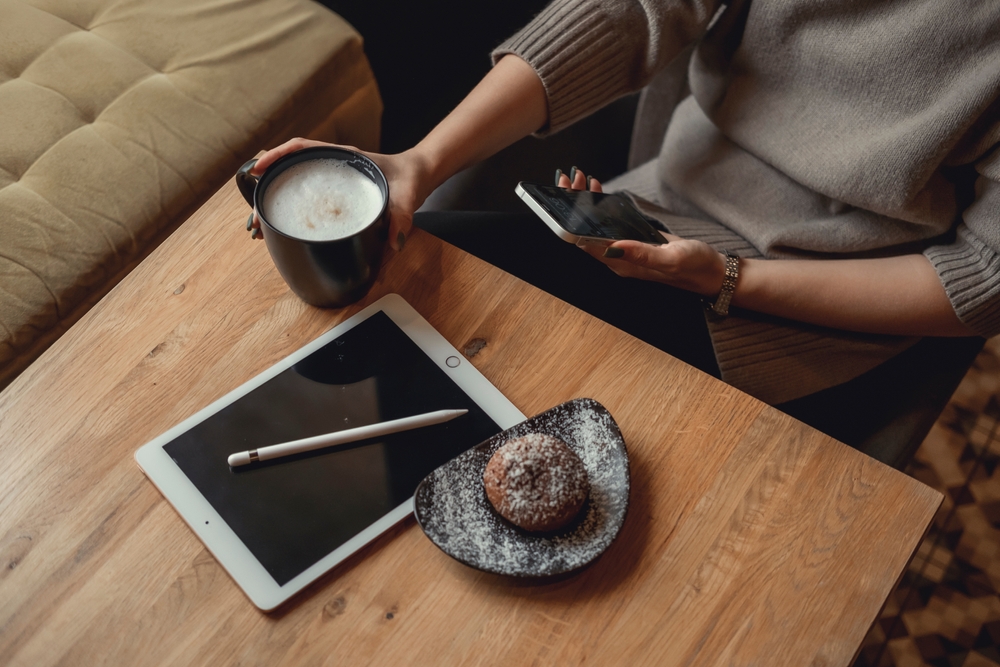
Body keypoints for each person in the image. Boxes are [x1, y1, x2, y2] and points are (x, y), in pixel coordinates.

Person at [251, 0, 999, 455]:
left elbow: (985, 273)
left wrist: (729, 279)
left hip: (814, 311)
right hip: (660, 212)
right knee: (403, 305)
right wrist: (421, 162)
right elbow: (632, 10)